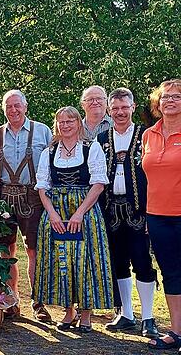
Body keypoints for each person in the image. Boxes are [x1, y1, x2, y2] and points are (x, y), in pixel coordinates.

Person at [33, 106, 112, 333]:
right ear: (56, 125)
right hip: (56, 211)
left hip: (85, 211)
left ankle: (86, 313)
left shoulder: (91, 148)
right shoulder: (49, 152)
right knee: (62, 262)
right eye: (61, 122)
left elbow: (98, 184)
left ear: (79, 123)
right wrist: (52, 213)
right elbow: (42, 187)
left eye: (70, 121)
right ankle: (69, 311)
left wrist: (79, 213)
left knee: (85, 261)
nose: (65, 125)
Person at [97, 88, 158, 338]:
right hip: (111, 209)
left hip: (140, 210)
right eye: (116, 108)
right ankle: (126, 314)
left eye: (125, 107)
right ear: (109, 111)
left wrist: (152, 211)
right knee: (118, 262)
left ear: (133, 108)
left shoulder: (147, 135)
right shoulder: (102, 139)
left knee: (142, 262)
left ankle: (149, 318)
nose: (120, 113)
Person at [0, 90, 53, 321]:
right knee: (5, 252)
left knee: (34, 251)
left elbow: (51, 166)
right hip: (4, 196)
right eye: (8, 106)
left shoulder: (43, 131)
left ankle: (38, 302)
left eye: (17, 105)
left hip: (32, 196)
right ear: (3, 109)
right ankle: (11, 300)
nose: (13, 110)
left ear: (25, 107)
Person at [142, 79, 181, 349]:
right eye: (165, 97)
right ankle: (177, 331)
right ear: (158, 103)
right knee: (171, 273)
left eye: (177, 96)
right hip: (156, 215)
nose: (170, 101)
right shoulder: (149, 135)